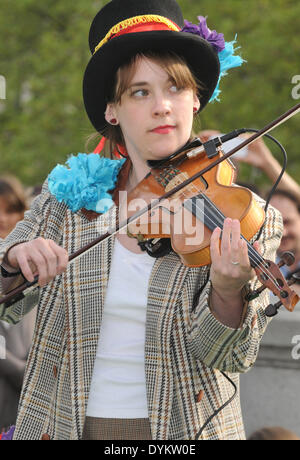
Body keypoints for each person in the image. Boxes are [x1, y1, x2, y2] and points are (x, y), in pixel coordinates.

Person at [0, 0, 283, 440]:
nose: (162, 107)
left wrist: (228, 294)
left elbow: (229, 357)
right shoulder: (67, 202)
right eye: (140, 92)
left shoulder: (248, 216)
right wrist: (14, 258)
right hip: (63, 427)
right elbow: (4, 305)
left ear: (195, 100)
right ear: (113, 110)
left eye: (175, 89)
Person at [0, 176, 36, 430]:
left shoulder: (35, 274)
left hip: (21, 414)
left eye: (10, 210)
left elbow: (32, 373)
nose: (2, 219)